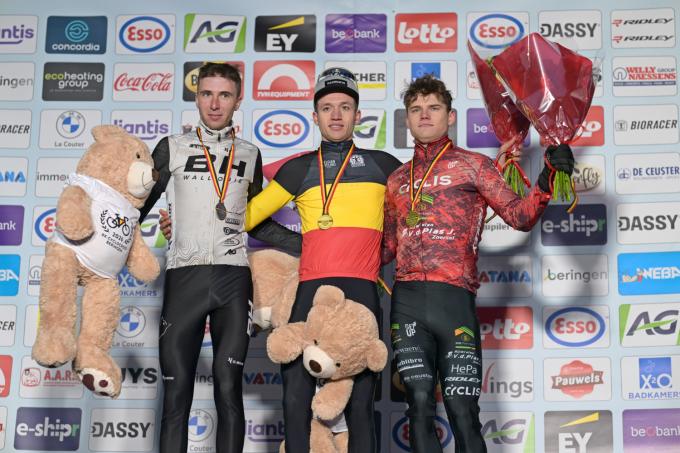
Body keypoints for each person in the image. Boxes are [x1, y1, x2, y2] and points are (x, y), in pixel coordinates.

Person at [382, 75, 574, 453]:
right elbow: (386, 247)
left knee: (462, 409)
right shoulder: (396, 180)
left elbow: (520, 216)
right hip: (407, 301)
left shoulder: (474, 165)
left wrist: (549, 174)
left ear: (450, 116)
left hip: (454, 300)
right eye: (416, 109)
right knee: (417, 404)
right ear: (406, 118)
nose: (424, 115)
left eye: (433, 108)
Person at [138, 62, 301, 453]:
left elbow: (256, 223)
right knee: (176, 395)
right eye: (207, 94)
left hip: (233, 280)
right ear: (196, 97)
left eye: (224, 95)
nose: (215, 104)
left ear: (237, 100)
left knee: (229, 391)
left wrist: (311, 245)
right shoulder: (172, 147)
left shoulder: (250, 153)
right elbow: (138, 207)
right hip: (184, 278)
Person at [245, 67, 401, 453]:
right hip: (310, 291)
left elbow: (422, 209)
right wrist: (303, 244)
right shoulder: (299, 168)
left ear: (358, 115)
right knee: (295, 399)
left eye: (345, 107)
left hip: (362, 290)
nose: (336, 115)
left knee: (361, 405)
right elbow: (247, 218)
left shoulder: (383, 164)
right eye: (327, 108)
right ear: (314, 116)